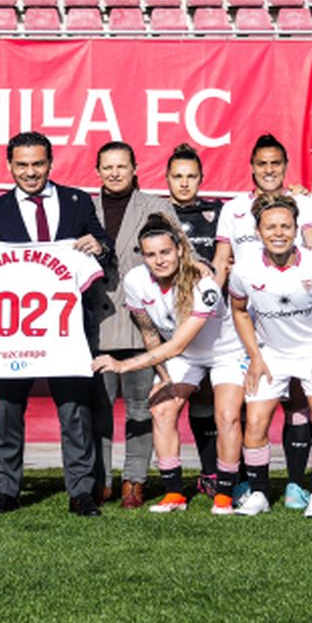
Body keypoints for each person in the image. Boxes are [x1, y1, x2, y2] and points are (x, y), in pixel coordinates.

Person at [0, 131, 110, 517]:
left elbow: (104, 247)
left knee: (75, 411)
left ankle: (81, 492)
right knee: (6, 410)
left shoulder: (76, 201)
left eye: (38, 164)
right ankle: (5, 491)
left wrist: (98, 246)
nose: (30, 172)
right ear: (9, 166)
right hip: (12, 330)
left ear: (51, 163)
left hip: (66, 329)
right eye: (22, 165)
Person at [92, 214, 247, 514]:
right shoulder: (135, 280)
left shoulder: (204, 283)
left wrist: (124, 366)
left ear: (178, 249)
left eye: (165, 252)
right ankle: (174, 494)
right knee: (161, 409)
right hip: (182, 358)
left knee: (227, 415)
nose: (159, 260)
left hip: (226, 353)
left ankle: (225, 495)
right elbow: (150, 333)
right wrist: (163, 377)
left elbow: (177, 343)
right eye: (150, 254)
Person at [213, 133, 312, 511]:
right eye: (262, 164)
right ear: (252, 168)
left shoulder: (302, 202)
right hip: (246, 320)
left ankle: (295, 484)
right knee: (253, 403)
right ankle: (251, 483)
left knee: (297, 402)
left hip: (292, 315)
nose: (269, 170)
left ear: (285, 166)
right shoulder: (234, 209)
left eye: (275, 163)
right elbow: (221, 260)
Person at [228, 195, 312, 519]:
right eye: (271, 227)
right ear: (258, 231)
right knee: (255, 422)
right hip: (271, 355)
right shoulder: (243, 270)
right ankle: (259, 494)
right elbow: (239, 311)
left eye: (286, 226)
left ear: (297, 229)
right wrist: (254, 355)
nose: (279, 232)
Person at [91, 141, 179, 508]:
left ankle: (134, 481)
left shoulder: (157, 207)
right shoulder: (85, 209)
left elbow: (179, 255)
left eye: (121, 167)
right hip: (96, 322)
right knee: (98, 409)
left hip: (144, 324)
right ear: (98, 171)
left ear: (135, 168)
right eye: (108, 167)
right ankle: (99, 480)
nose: (114, 173)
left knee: (142, 408)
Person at [164, 143, 224, 496]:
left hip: (217, 320)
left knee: (224, 400)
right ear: (167, 179)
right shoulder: (158, 214)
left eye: (191, 176)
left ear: (201, 179)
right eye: (177, 176)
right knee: (192, 398)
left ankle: (219, 471)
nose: (184, 183)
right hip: (174, 320)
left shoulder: (218, 213)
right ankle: (203, 471)